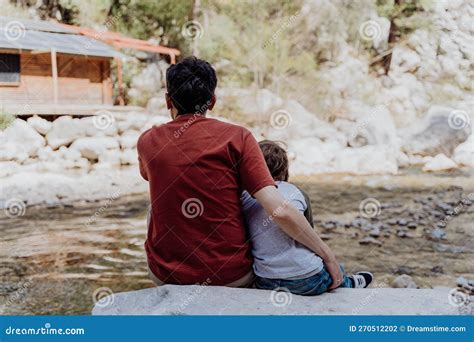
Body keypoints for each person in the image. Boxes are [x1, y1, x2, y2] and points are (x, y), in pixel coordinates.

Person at [137, 56, 345, 289]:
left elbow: (151, 175)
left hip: (165, 274)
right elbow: (280, 210)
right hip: (230, 276)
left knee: (156, 201)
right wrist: (327, 254)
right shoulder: (238, 137)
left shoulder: (147, 141)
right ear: (212, 101)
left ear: (168, 100)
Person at [241, 140, 373, 295]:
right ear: (284, 169)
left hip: (266, 280)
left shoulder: (245, 196)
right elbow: (307, 232)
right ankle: (347, 282)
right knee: (331, 271)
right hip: (307, 280)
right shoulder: (296, 192)